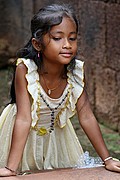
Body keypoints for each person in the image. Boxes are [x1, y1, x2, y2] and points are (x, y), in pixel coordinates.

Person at [0, 3, 120, 177]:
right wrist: (11, 168)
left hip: (55, 138)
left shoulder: (76, 72)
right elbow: (24, 118)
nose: (67, 45)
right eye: (57, 38)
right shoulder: (26, 70)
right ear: (37, 44)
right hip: (20, 135)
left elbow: (86, 116)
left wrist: (107, 159)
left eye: (72, 38)